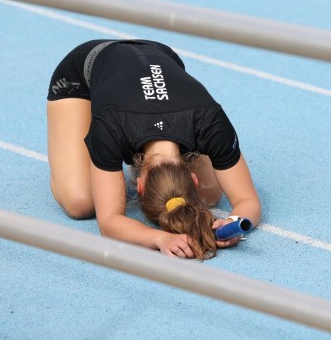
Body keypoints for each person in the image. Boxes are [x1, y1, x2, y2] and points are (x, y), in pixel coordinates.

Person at [46, 39, 261, 260]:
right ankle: (65, 166)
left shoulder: (212, 123)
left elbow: (247, 202)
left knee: (210, 195)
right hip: (83, 73)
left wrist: (235, 223)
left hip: (157, 62)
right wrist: (158, 238)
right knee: (80, 203)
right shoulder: (110, 126)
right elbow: (108, 223)